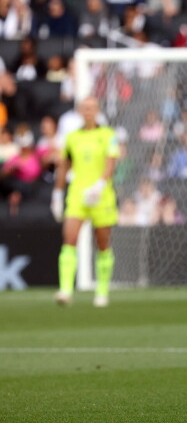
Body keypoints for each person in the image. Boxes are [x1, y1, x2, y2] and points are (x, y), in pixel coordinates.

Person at [50, 96, 118, 307]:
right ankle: (65, 290)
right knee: (69, 238)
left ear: (97, 110)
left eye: (91, 108)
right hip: (78, 194)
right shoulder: (72, 137)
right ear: (80, 111)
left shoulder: (108, 135)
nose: (88, 111)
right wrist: (58, 194)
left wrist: (99, 185)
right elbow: (64, 166)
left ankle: (102, 290)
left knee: (103, 243)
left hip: (101, 195)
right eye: (84, 108)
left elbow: (111, 162)